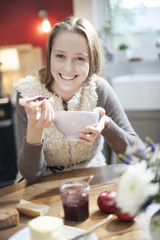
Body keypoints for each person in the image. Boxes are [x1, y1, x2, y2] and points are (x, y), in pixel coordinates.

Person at [15, 16, 141, 183]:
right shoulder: (27, 93)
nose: (68, 67)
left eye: (80, 58)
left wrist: (107, 125)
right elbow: (31, 175)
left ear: (92, 61)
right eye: (60, 56)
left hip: (91, 179)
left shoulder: (99, 89)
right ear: (49, 56)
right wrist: (35, 129)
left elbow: (139, 156)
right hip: (43, 185)